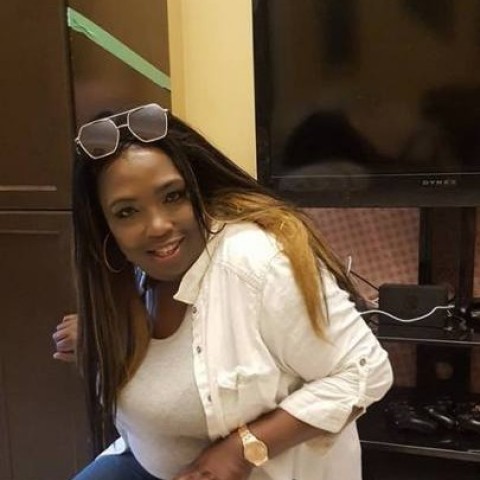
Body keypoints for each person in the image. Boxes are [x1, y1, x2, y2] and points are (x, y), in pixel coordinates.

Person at [53, 102, 393, 480]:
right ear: (105, 227)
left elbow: (365, 371)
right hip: (145, 460)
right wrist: (104, 333)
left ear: (197, 189)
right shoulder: (126, 274)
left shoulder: (258, 262)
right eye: (126, 212)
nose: (158, 226)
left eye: (172, 196)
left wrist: (241, 450)